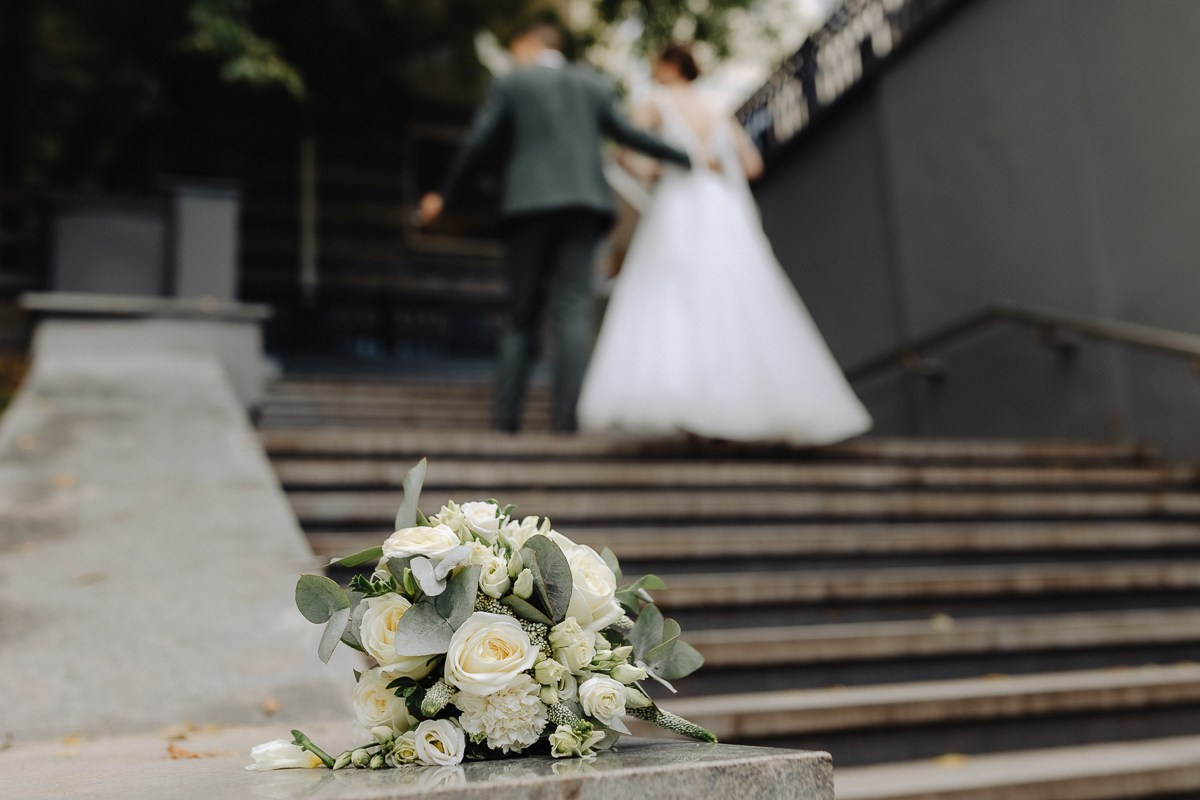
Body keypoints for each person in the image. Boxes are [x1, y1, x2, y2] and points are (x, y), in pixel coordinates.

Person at [576, 44, 872, 446]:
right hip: (719, 206)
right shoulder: (715, 109)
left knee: (673, 298)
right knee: (734, 298)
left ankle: (689, 407)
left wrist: (658, 167)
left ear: (667, 67)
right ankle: (741, 404)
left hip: (679, 205)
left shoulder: (658, 101)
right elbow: (752, 165)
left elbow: (625, 151)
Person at [418, 18, 693, 433]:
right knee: (572, 311)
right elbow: (627, 133)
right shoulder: (593, 83)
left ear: (530, 44)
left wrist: (445, 196)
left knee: (521, 315)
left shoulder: (514, 83)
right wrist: (685, 155)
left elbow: (478, 141)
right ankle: (567, 421)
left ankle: (505, 421)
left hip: (527, 207)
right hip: (584, 206)